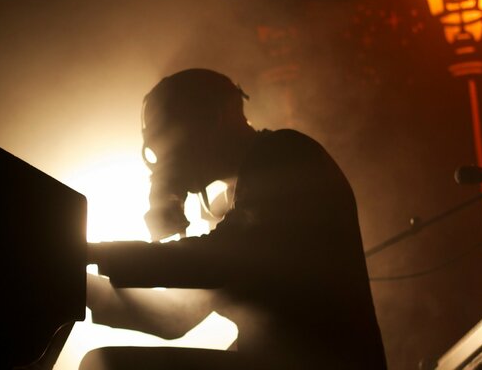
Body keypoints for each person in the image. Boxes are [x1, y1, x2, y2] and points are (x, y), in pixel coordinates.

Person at [83, 68, 387, 369]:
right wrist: (77, 280)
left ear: (212, 117)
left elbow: (216, 262)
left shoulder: (285, 154)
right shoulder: (231, 201)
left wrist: (95, 253)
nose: (164, 158)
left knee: (104, 364)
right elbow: (175, 317)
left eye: (168, 137)